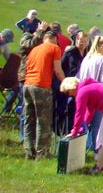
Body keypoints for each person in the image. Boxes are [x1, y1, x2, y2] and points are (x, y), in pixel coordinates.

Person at [61, 77, 103, 174]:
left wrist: (74, 131)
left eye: (67, 92)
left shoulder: (81, 92)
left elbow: (79, 114)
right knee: (101, 138)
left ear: (72, 87)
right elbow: (90, 110)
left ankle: (99, 168)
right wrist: (83, 127)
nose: (68, 95)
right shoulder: (87, 88)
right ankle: (100, 165)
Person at [22, 29, 64, 159]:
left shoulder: (34, 49)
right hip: (41, 86)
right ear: (54, 39)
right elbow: (57, 70)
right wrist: (65, 82)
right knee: (43, 120)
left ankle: (29, 151)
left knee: (29, 118)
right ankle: (42, 152)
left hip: (27, 84)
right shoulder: (54, 48)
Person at [77, 35, 103, 151]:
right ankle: (97, 151)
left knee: (84, 123)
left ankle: (80, 149)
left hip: (83, 94)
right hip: (97, 96)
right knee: (97, 126)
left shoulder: (87, 58)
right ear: (102, 46)